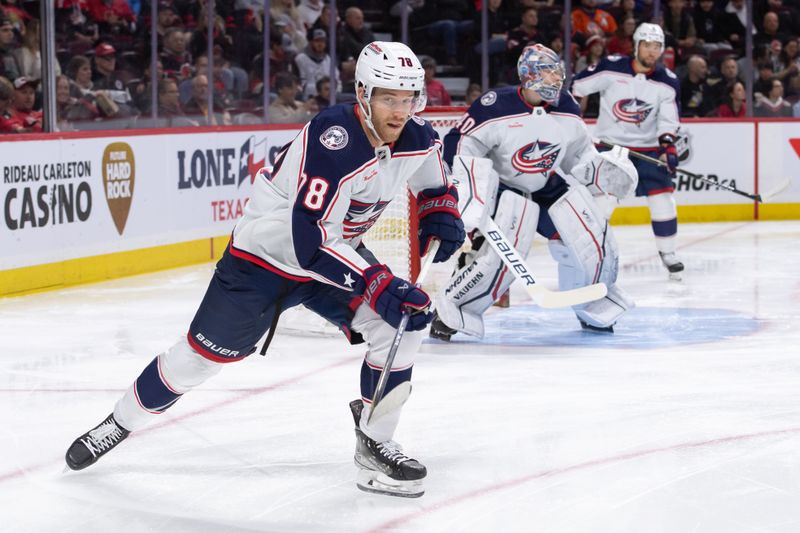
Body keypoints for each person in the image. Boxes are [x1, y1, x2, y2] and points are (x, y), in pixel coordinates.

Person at [65, 41, 465, 499]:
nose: (400, 111)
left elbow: (434, 181)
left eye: (409, 98)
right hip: (264, 261)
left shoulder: (418, 135)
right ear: (362, 94)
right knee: (200, 359)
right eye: (388, 98)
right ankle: (118, 423)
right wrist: (375, 281)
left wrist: (441, 208)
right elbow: (307, 239)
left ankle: (376, 443)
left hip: (332, 258)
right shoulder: (334, 137)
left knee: (402, 323)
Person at [429, 44, 638, 342]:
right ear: (529, 75)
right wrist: (469, 185)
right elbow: (461, 141)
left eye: (557, 72)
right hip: (504, 188)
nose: (556, 79)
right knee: (498, 257)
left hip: (545, 184)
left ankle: (591, 304)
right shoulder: (495, 105)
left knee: (590, 236)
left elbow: (578, 151)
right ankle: (454, 312)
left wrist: (598, 170)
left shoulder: (566, 106)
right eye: (549, 72)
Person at [572, 23, 685, 275]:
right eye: (647, 45)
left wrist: (668, 147)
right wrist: (571, 115)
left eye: (657, 46)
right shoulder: (611, 67)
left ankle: (668, 253)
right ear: (636, 46)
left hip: (647, 150)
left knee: (663, 201)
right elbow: (577, 86)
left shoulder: (667, 82)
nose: (651, 51)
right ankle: (591, 254)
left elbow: (668, 120)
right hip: (611, 148)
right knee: (604, 203)